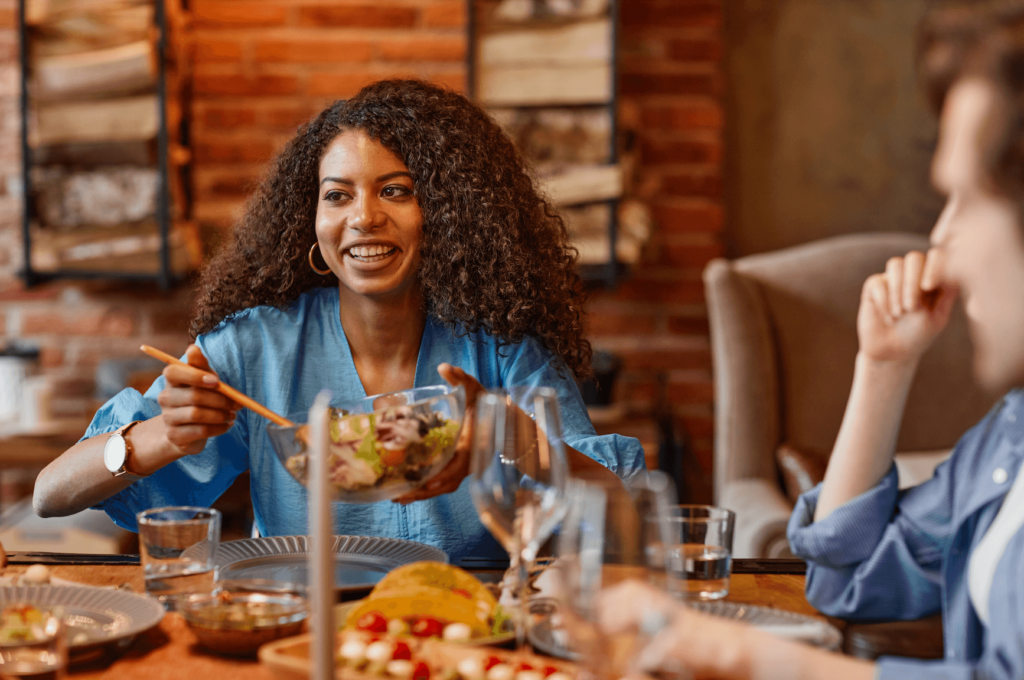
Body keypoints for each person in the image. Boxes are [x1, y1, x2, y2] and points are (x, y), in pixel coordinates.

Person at [31, 79, 645, 563]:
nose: (364, 218)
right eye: (338, 194)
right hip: (300, 627)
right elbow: (50, 495)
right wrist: (156, 438)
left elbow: (628, 515)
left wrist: (515, 438)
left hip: (456, 633)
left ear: (449, 215)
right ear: (313, 226)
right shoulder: (255, 346)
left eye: (397, 191)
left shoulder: (501, 351)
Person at [593, 2, 1024, 678]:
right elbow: (846, 579)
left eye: (970, 197)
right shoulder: (1011, 438)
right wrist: (882, 365)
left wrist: (733, 651)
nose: (941, 239)